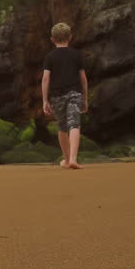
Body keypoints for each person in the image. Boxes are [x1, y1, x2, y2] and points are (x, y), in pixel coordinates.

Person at [41, 22, 88, 170]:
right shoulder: (76, 55)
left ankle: (67, 160)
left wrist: (44, 100)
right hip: (75, 93)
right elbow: (83, 78)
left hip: (57, 96)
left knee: (62, 127)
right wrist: (85, 99)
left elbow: (45, 79)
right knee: (74, 124)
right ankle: (73, 158)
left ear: (52, 39)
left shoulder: (50, 56)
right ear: (70, 37)